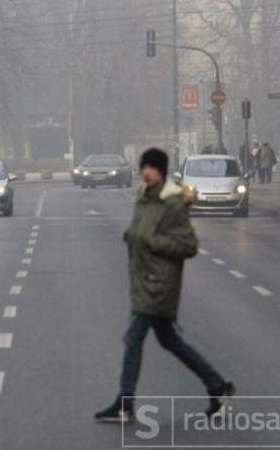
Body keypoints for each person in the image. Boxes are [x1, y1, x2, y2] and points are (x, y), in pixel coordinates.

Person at [95, 148, 234, 423]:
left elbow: (188, 245)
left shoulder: (172, 203)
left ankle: (125, 404)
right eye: (143, 167)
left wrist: (153, 243)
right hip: (142, 279)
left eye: (151, 168)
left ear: (161, 171)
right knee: (170, 341)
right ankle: (218, 386)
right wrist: (131, 236)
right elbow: (142, 229)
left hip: (160, 284)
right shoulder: (144, 197)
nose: (146, 172)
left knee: (133, 339)